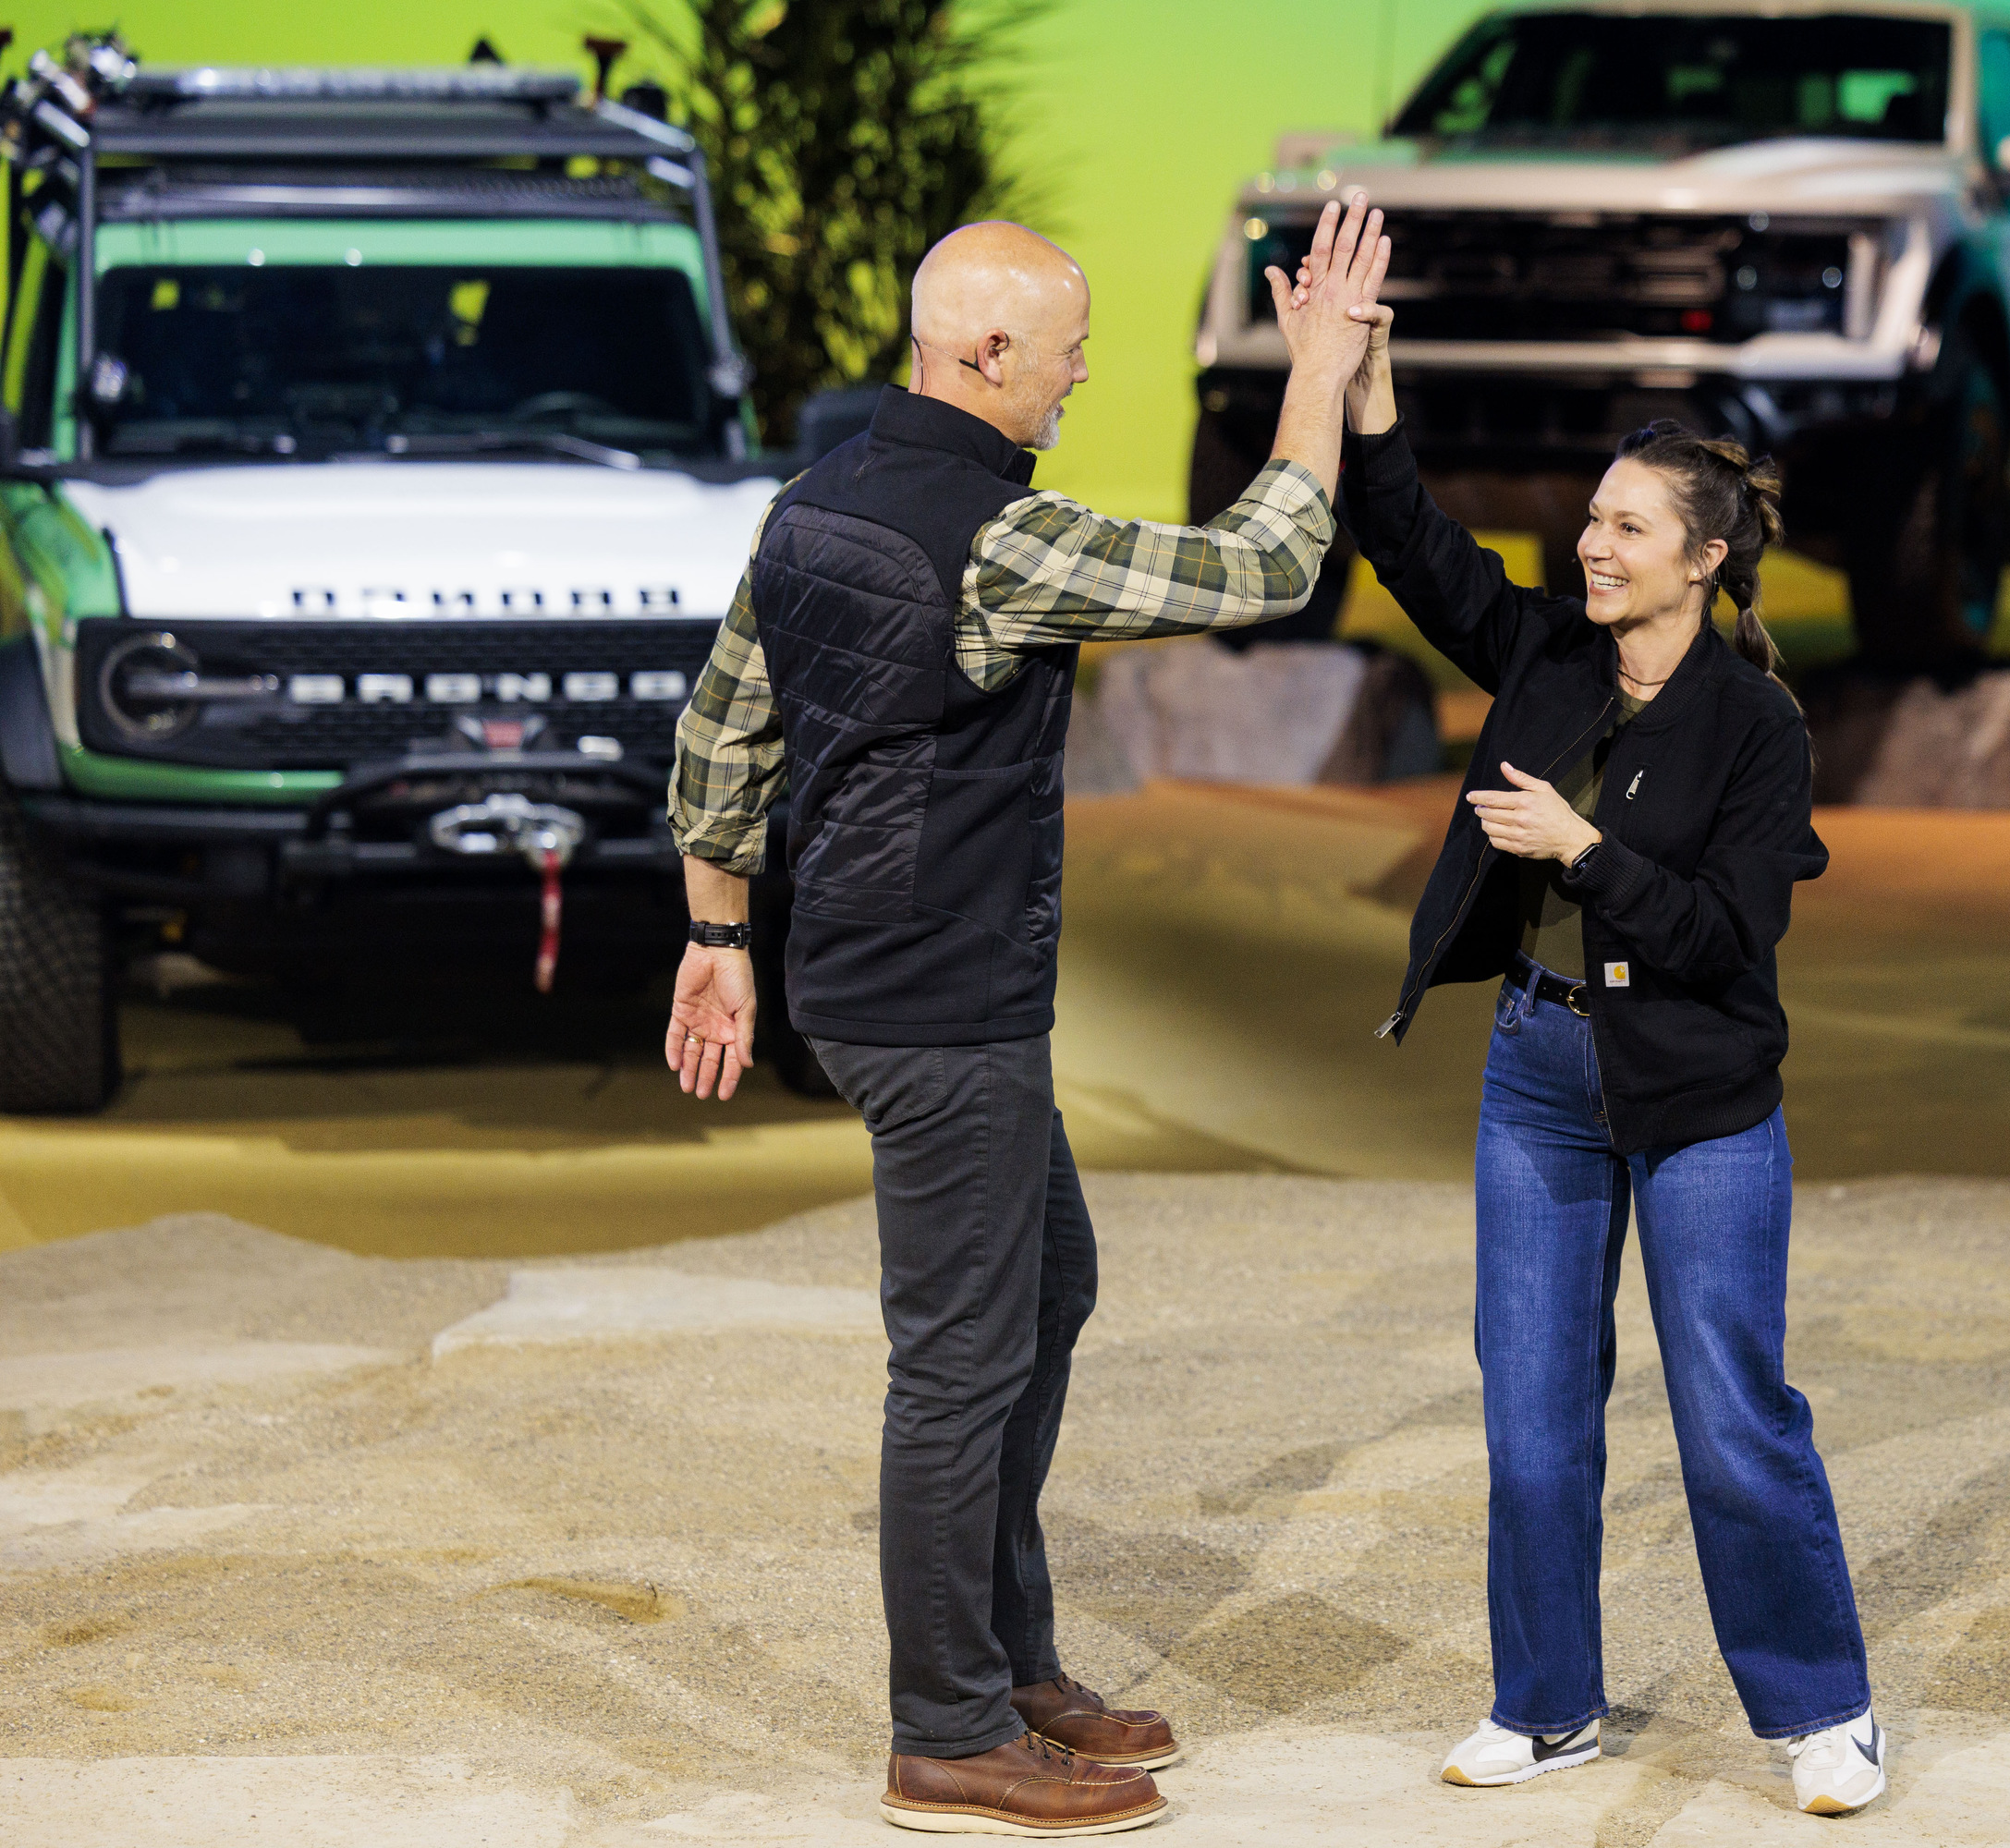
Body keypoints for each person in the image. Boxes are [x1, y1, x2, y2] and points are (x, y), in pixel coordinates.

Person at [663, 200, 1388, 1837]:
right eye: (1067, 356)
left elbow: (720, 735)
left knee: (1046, 1289)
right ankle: (946, 1736)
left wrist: (717, 933)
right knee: (960, 1361)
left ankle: (1004, 1670)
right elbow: (1265, 565)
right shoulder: (999, 539)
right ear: (989, 352)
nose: (1077, 382)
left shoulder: (814, 501)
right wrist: (1319, 369)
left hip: (876, 976)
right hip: (943, 996)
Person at [1328, 295, 1885, 1816]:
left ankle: (1823, 1709)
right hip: (1537, 1076)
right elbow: (1412, 547)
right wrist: (1371, 393)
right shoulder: (1547, 656)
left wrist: (1584, 852)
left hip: (1699, 1097)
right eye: (1592, 520)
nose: (1593, 546)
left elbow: (1727, 935)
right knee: (1532, 1418)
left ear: (1704, 559)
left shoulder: (1756, 726)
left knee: (1730, 1419)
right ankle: (1547, 1703)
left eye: (1629, 528)